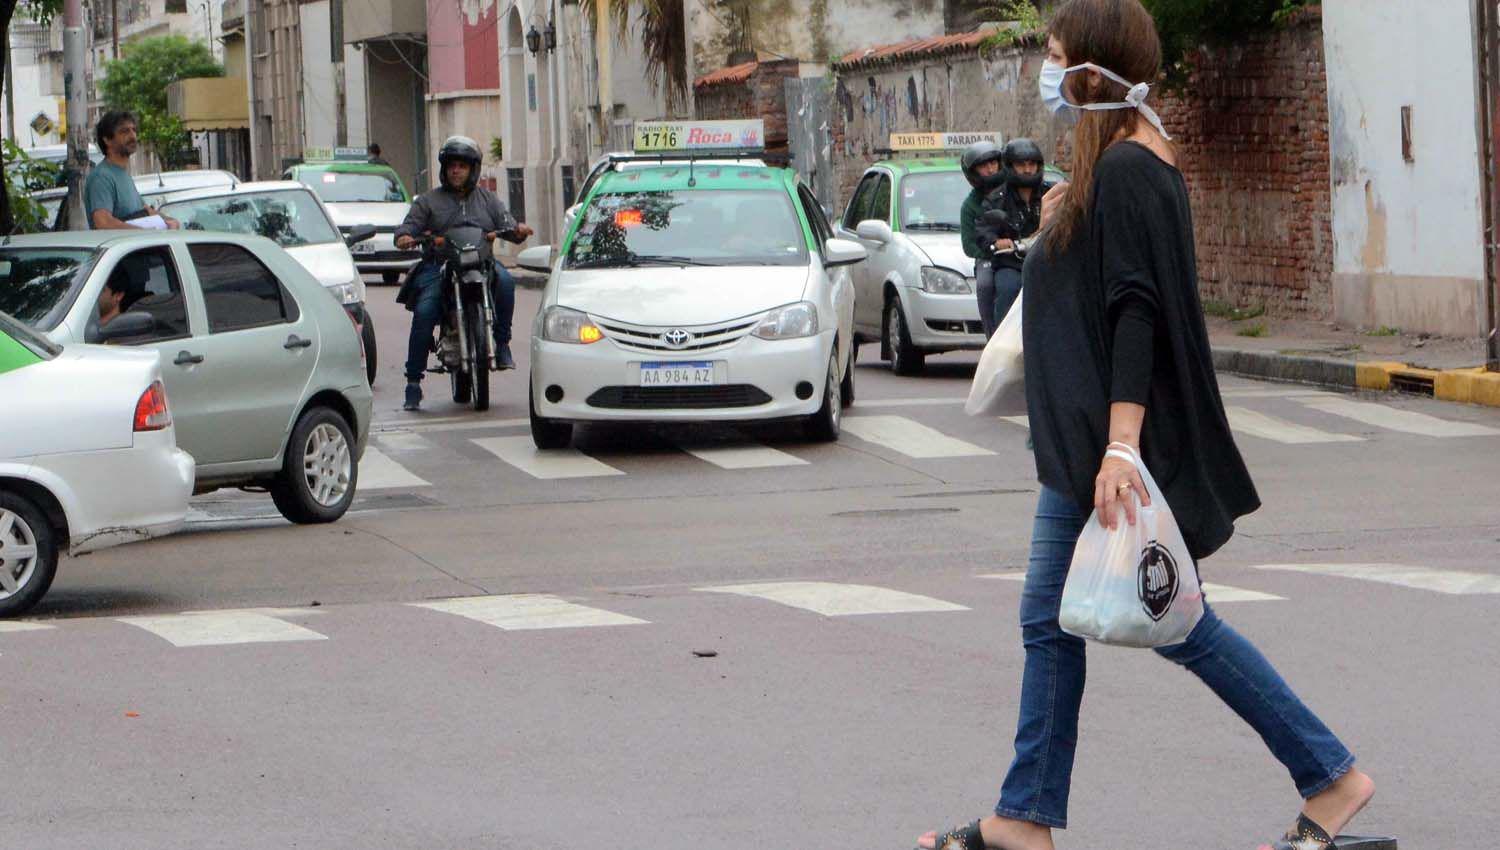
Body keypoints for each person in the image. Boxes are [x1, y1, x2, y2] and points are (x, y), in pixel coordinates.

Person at [916, 2, 1375, 850]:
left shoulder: (1130, 168)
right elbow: (1110, 283)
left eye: (1055, 59)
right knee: (1065, 622)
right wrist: (1063, 226)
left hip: (1108, 448)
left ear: (1091, 73)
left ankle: (1332, 776)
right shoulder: (1121, 168)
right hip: (1089, 445)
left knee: (1173, 625)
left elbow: (1138, 311)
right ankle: (1025, 815)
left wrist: (1122, 446)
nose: (1045, 75)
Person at [394, 135, 533, 412]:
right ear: (444, 169)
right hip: (441, 266)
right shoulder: (428, 202)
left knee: (505, 283)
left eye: (462, 166)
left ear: (473, 170)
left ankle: (502, 344)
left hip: (482, 265)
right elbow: (406, 230)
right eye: (452, 166)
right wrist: (406, 237)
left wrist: (517, 230)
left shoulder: (488, 200)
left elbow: (509, 226)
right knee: (425, 311)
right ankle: (413, 382)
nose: (456, 171)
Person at [974, 138, 1051, 336]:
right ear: (1010, 166)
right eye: (1021, 165)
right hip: (1012, 264)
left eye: (1031, 164)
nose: (1027, 170)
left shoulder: (1050, 195)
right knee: (1008, 288)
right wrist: (996, 242)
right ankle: (1002, 341)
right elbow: (983, 229)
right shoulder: (996, 199)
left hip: (1046, 262)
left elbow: (1070, 219)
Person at [85, 111, 179, 231]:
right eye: (124, 131)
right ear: (107, 140)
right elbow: (103, 222)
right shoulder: (102, 177)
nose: (133, 136)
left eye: (133, 130)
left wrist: (169, 221)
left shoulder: (123, 174)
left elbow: (145, 210)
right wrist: (144, 233)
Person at [959, 141, 1007, 337]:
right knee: (985, 285)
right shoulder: (970, 206)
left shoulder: (1012, 192)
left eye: (994, 163)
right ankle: (991, 336)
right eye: (983, 165)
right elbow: (969, 245)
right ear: (973, 172)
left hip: (1019, 253)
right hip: (989, 258)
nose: (990, 169)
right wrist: (993, 248)